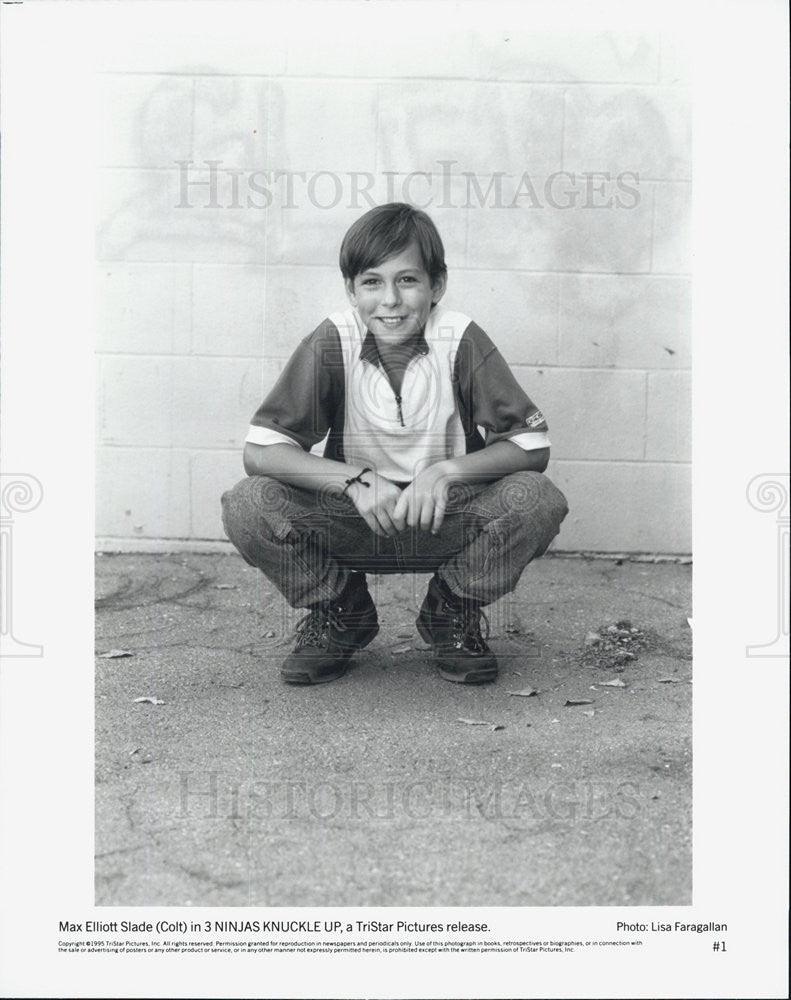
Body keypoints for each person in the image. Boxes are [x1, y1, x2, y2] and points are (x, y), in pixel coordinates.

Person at [221, 203, 568, 686]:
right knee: (247, 504)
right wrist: (353, 478)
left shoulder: (460, 338)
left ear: (436, 285)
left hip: (444, 518)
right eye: (371, 282)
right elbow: (260, 452)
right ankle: (342, 612)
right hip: (355, 518)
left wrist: (446, 473)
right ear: (351, 290)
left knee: (536, 498)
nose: (390, 300)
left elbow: (532, 446)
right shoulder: (331, 340)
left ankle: (451, 612)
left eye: (407, 280)